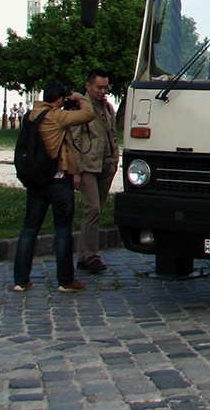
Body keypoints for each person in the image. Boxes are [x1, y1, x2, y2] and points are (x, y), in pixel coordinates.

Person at [12, 81, 94, 293]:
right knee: (63, 231)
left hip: (36, 179)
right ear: (59, 100)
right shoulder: (56, 116)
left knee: (29, 230)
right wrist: (79, 98)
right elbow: (87, 114)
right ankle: (66, 280)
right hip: (57, 179)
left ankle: (21, 279)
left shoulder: (30, 115)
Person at [70, 69, 117, 275]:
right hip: (88, 165)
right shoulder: (81, 108)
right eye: (99, 87)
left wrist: (115, 159)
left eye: (105, 88)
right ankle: (91, 257)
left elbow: (112, 134)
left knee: (95, 213)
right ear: (88, 86)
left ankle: (83, 256)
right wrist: (76, 171)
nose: (102, 91)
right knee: (93, 210)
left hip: (106, 164)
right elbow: (75, 139)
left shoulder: (107, 107)